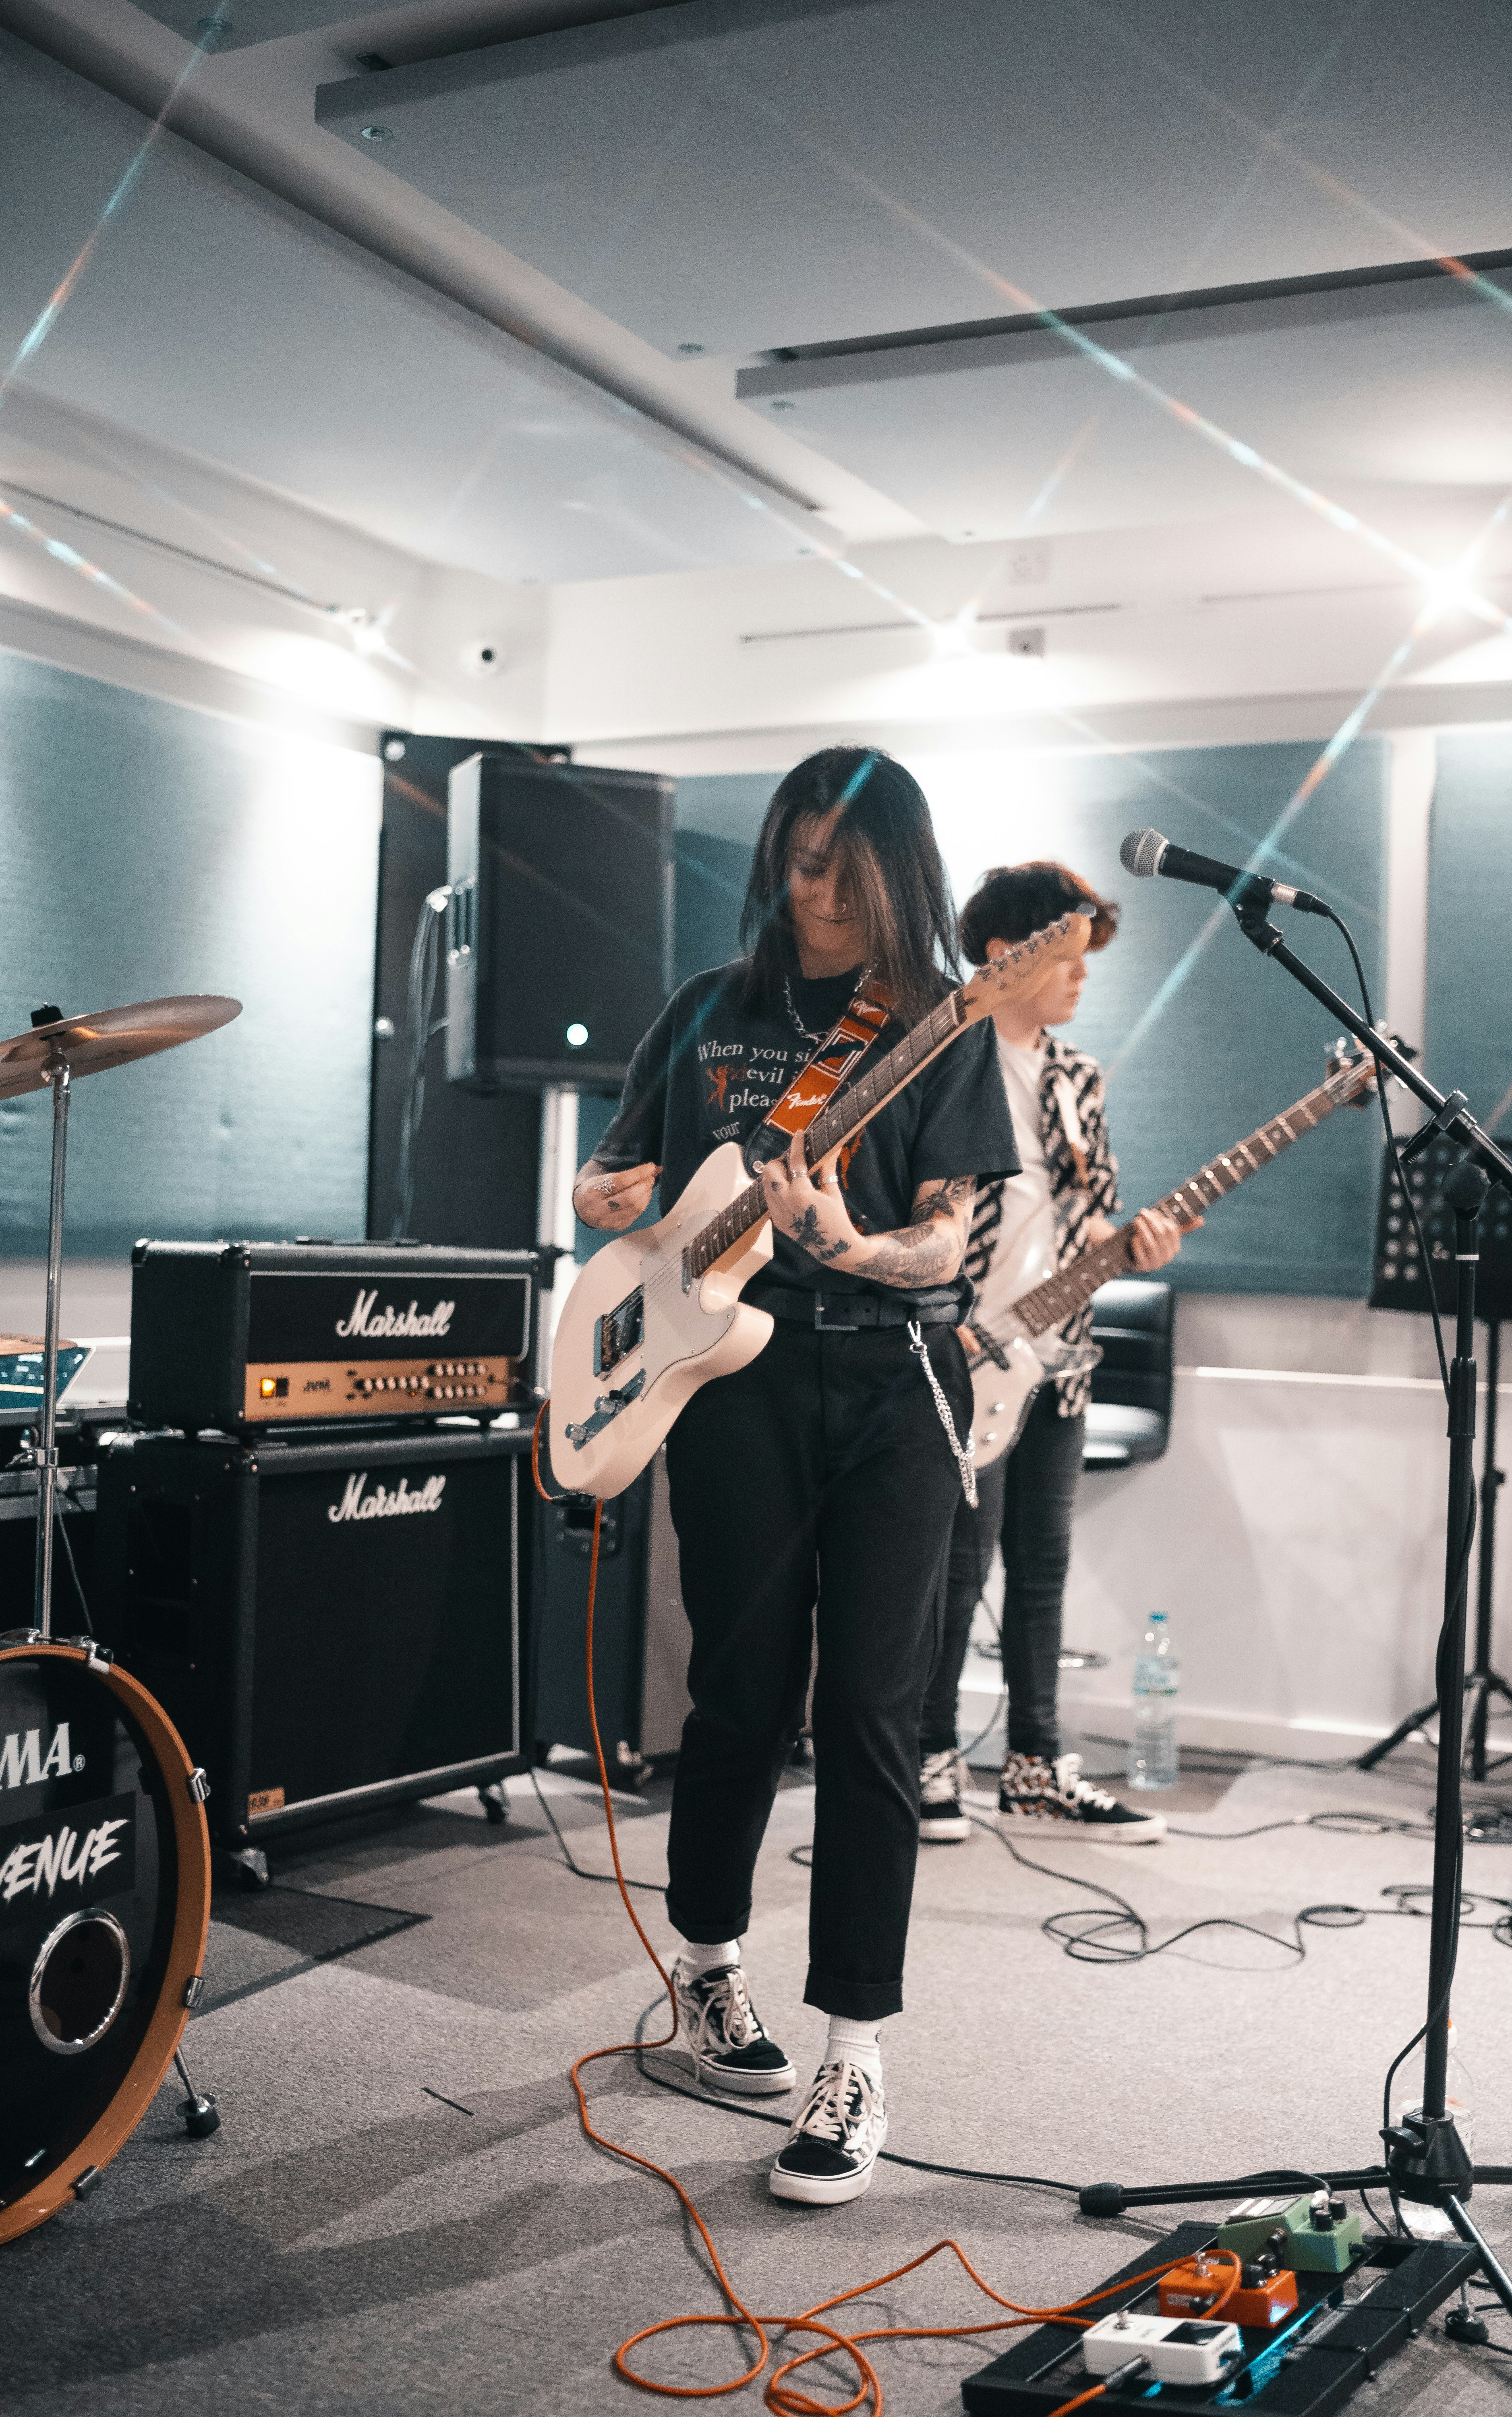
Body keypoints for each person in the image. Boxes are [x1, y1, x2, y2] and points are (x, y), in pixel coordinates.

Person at [572, 747, 1019, 2206]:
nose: (808, 887)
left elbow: (949, 1239)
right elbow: (619, 1175)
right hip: (733, 1384)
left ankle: (856, 2051)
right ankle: (707, 1965)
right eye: (793, 856)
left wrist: (851, 1244)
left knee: (876, 1714)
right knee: (741, 1693)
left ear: (899, 867)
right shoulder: (708, 1008)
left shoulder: (942, 1024)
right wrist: (608, 1192)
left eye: (838, 861)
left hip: (894, 1378)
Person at [915, 860, 1199, 1849]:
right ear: (1005, 953)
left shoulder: (1078, 1078)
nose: (1083, 975)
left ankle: (1035, 1767)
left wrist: (1139, 1245)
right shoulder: (941, 1058)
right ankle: (928, 1757)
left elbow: (1093, 1221)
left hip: (1061, 1358)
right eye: (1069, 953)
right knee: (957, 1567)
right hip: (958, 1351)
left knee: (1041, 1566)